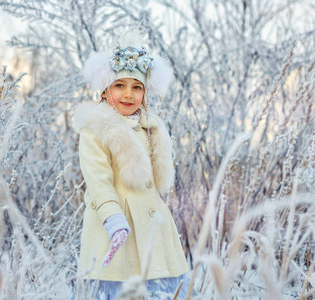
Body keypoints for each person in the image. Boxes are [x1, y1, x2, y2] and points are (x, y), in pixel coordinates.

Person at [74, 30, 189, 299]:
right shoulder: (95, 130)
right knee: (120, 286)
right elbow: (98, 181)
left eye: (136, 87)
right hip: (116, 227)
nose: (128, 94)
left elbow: (155, 182)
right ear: (105, 91)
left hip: (152, 228)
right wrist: (113, 219)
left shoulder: (151, 127)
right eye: (119, 85)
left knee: (156, 285)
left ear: (145, 93)